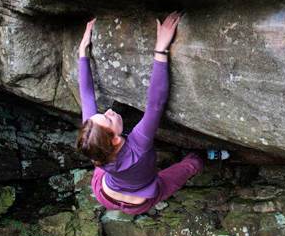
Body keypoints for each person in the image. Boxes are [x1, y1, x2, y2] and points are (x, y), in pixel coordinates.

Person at [75, 12, 204, 215]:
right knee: (191, 165)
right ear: (116, 140)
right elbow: (155, 104)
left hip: (106, 195)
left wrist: (83, 52)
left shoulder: (95, 139)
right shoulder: (139, 145)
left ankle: (199, 160)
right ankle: (202, 158)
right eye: (108, 118)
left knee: (97, 154)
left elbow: (87, 97)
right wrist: (161, 49)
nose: (109, 111)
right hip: (141, 200)